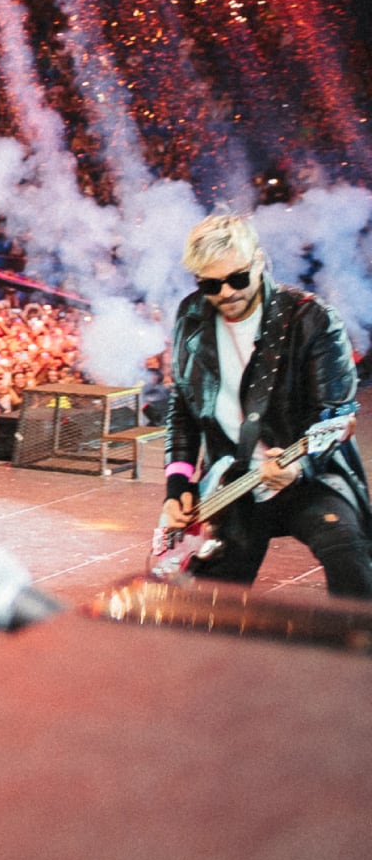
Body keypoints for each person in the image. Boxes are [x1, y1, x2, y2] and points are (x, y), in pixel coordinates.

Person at [158, 212, 372, 596]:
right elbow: (183, 408)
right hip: (232, 482)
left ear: (258, 260)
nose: (226, 292)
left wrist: (301, 464)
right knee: (205, 606)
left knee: (349, 557)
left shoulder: (312, 318)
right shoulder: (190, 316)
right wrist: (177, 486)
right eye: (211, 283)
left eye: (237, 278)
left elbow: (336, 413)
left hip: (309, 475)